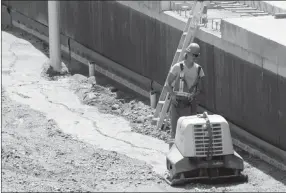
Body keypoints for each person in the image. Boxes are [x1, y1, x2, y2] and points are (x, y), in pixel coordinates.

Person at [165, 43, 205, 140]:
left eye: (197, 55)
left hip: (190, 104)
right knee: (174, 132)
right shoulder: (177, 67)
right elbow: (167, 84)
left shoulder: (199, 69)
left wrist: (194, 95)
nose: (195, 57)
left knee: (189, 133)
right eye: (193, 55)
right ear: (187, 53)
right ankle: (173, 152)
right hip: (177, 103)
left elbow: (200, 89)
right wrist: (173, 95)